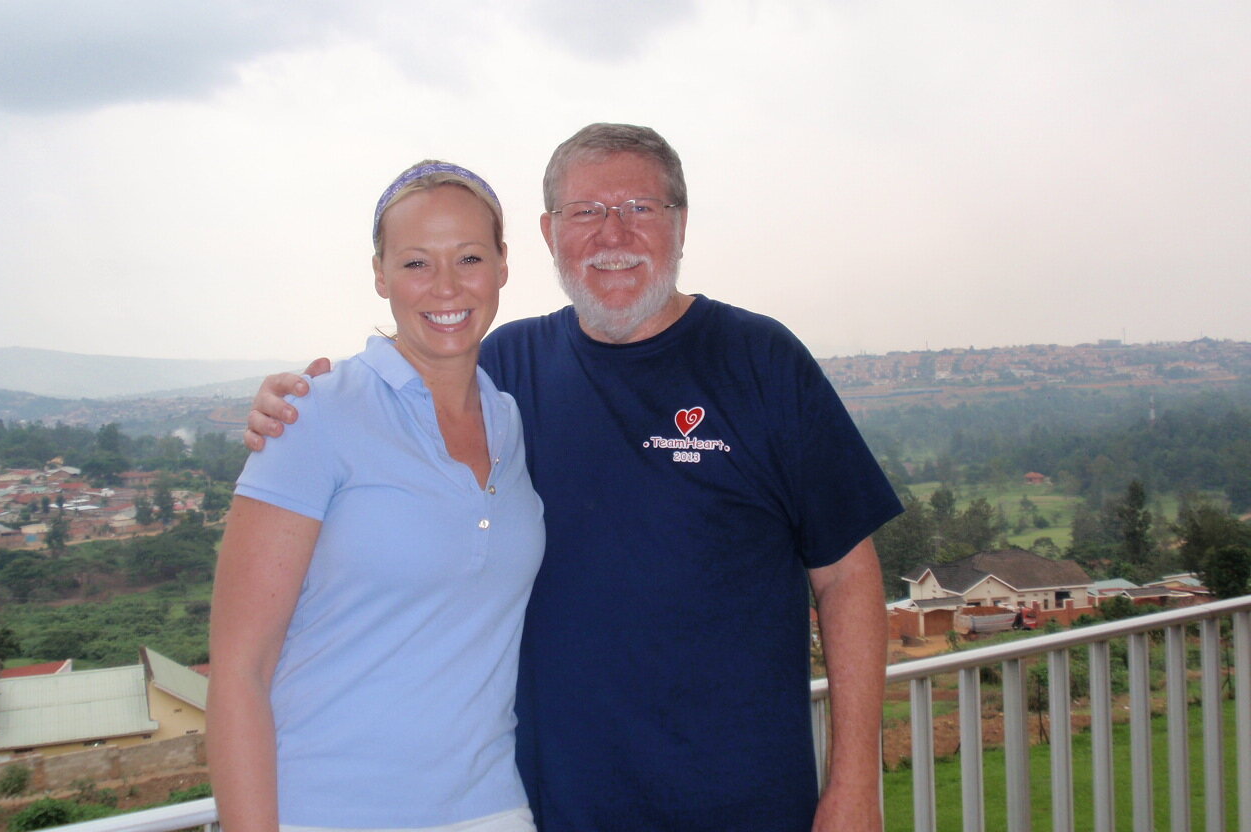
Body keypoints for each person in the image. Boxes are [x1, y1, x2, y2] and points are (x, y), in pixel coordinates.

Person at [246, 125, 903, 832]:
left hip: (745, 803)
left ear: (680, 225)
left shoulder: (762, 362)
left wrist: (855, 785)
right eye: (585, 212)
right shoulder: (506, 370)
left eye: (641, 209)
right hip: (556, 807)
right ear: (547, 233)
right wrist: (294, 401)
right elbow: (390, 403)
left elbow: (848, 576)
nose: (612, 234)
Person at [209, 162, 545, 832]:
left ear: (504, 265)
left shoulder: (511, 418)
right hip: (326, 810)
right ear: (380, 273)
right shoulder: (314, 416)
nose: (446, 286)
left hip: (492, 807)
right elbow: (239, 670)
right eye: (417, 262)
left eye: (470, 257)